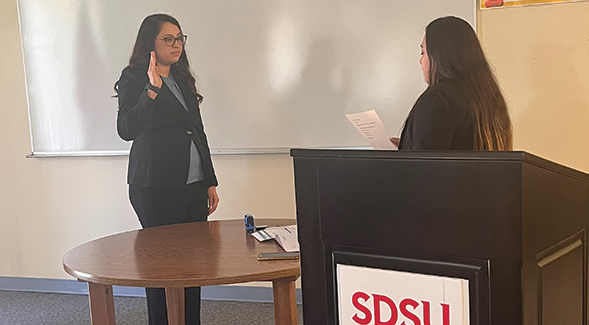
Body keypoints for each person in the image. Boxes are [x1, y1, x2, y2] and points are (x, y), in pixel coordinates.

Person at [114, 13, 219, 325]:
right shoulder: (135, 77)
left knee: (193, 264)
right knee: (161, 268)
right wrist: (152, 90)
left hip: (193, 185)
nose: (177, 45)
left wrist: (210, 181)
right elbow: (126, 128)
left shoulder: (182, 78)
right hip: (154, 186)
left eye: (180, 38)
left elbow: (198, 131)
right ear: (151, 42)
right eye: (169, 39)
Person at [396, 16, 512, 150]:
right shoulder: (490, 99)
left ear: (439, 56)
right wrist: (408, 145)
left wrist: (408, 152)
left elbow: (426, 164)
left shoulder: (439, 98)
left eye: (423, 52)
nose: (420, 61)